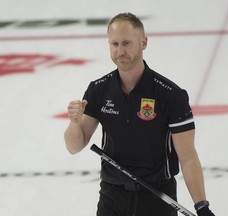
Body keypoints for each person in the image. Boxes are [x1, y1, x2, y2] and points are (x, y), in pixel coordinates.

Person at [64, 12, 215, 216]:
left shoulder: (170, 95)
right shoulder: (98, 90)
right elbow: (74, 146)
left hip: (158, 198)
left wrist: (201, 206)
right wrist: (74, 123)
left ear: (143, 43)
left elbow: (187, 156)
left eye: (126, 43)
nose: (120, 51)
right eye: (114, 44)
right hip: (112, 197)